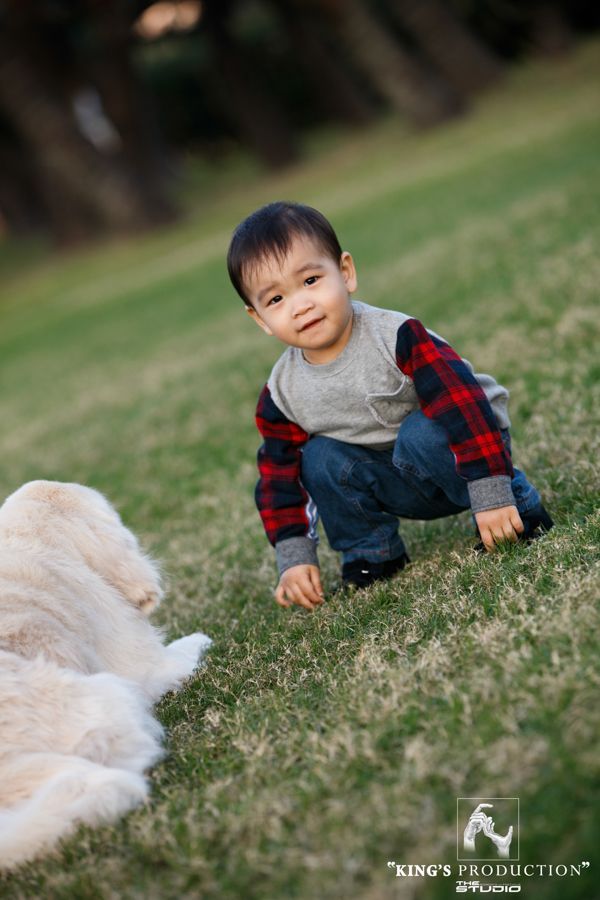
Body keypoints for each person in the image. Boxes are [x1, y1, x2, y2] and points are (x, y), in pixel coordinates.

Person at [227, 201, 553, 610]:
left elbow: (462, 404)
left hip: (464, 454)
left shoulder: (396, 337)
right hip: (391, 476)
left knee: (419, 431)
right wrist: (293, 555)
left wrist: (490, 491)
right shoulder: (282, 392)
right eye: (275, 300)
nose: (300, 304)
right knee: (320, 456)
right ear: (259, 319)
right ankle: (372, 554)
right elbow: (279, 475)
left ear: (345, 273)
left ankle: (518, 509)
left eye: (311, 280)